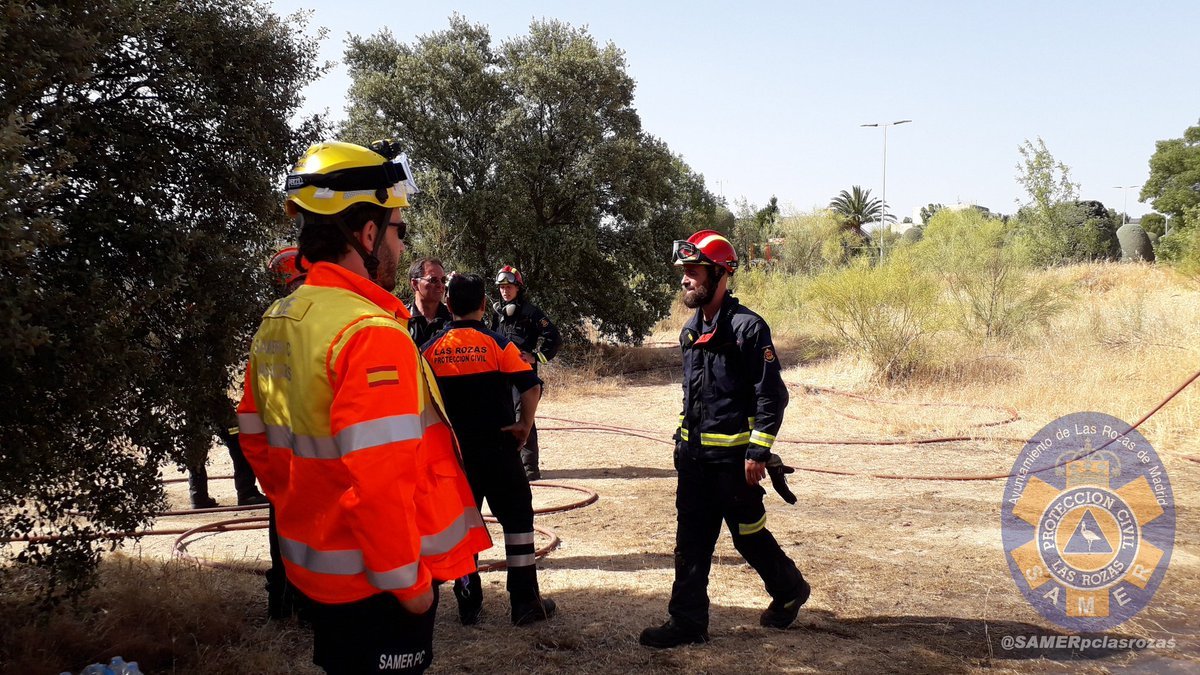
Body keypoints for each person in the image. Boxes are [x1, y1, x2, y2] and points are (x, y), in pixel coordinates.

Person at [237, 140, 491, 674]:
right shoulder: (371, 334)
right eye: (399, 228)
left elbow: (258, 444)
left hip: (318, 570)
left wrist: (311, 514)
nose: (401, 242)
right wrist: (411, 586)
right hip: (378, 585)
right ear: (368, 233)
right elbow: (380, 484)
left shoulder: (280, 320)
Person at [639, 230, 810, 649]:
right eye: (684, 271)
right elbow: (693, 397)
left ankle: (790, 589)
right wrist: (682, 443)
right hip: (694, 461)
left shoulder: (748, 329)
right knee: (691, 542)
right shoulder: (689, 332)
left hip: (735, 466)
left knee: (748, 535)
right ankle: (687, 623)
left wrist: (758, 451)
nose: (685, 279)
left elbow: (771, 395)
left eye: (694, 271)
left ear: (720, 274)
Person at [422, 273, 557, 627]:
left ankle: (468, 602)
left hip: (455, 457)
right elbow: (531, 387)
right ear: (484, 304)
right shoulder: (499, 345)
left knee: (462, 527)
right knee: (518, 519)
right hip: (499, 451)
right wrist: (524, 425)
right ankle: (525, 602)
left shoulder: (429, 351)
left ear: (448, 304)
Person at [489, 265, 561, 480]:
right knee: (504, 416)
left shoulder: (531, 313)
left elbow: (554, 338)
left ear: (518, 288)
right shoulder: (498, 314)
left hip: (523, 375)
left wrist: (536, 357)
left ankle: (530, 469)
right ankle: (510, 464)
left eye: (509, 287)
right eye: (501, 287)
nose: (505, 291)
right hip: (502, 375)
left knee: (524, 418)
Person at [405, 257, 452, 348]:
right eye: (433, 280)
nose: (440, 285)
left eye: (443, 280)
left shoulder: (453, 320)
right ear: (414, 283)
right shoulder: (401, 318)